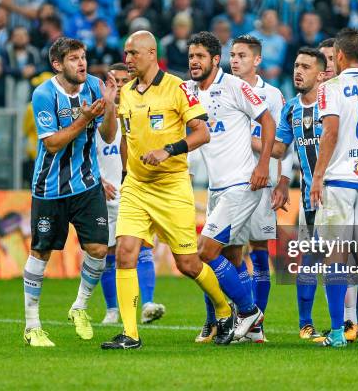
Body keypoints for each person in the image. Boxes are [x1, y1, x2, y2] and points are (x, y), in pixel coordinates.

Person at [100, 31, 233, 350]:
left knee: (187, 263)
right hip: (135, 186)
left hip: (171, 187)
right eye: (126, 53)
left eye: (133, 53)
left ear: (150, 53)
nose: (128, 59)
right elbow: (117, 138)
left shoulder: (178, 88)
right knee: (125, 252)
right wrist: (108, 106)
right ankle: (130, 334)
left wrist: (167, 151)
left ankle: (225, 309)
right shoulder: (127, 92)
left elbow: (203, 133)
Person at [23, 36, 118, 347]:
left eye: (83, 57)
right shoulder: (43, 94)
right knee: (41, 253)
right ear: (57, 64)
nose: (82, 63)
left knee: (99, 250)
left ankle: (79, 306)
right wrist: (86, 117)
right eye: (74, 58)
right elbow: (52, 143)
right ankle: (32, 325)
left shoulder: (93, 86)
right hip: (50, 188)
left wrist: (111, 104)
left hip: (88, 184)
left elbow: (107, 135)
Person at [185, 31, 275, 344]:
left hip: (242, 183)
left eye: (200, 57)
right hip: (216, 187)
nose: (194, 62)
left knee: (205, 251)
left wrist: (262, 165)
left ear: (215, 59)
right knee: (234, 258)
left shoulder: (235, 86)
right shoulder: (188, 91)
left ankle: (248, 311)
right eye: (191, 56)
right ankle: (251, 330)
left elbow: (268, 123)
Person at [310, 28, 358, 348]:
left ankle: (339, 332)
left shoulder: (331, 88)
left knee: (336, 258)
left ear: (339, 56)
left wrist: (317, 175)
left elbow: (330, 133)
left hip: (339, 179)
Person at [229, 34, 292, 342]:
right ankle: (236, 317)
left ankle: (256, 326)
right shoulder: (223, 89)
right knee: (229, 253)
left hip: (260, 183)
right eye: (232, 55)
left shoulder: (273, 96)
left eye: (242, 55)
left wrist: (283, 181)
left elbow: (283, 144)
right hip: (227, 181)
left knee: (258, 249)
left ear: (257, 60)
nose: (235, 60)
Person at [96, 63, 166, 326]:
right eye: (114, 81)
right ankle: (112, 309)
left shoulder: (142, 111)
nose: (119, 86)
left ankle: (147, 304)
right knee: (108, 253)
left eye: (124, 80)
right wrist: (98, 180)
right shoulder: (96, 114)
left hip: (135, 191)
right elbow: (85, 153)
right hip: (105, 195)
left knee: (143, 247)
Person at [270, 47, 327, 342]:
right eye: (296, 65)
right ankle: (306, 323)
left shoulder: (333, 103)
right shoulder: (291, 108)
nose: (298, 71)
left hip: (340, 193)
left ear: (321, 74)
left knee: (350, 256)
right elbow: (279, 149)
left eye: (305, 66)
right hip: (309, 198)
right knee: (310, 257)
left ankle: (355, 323)